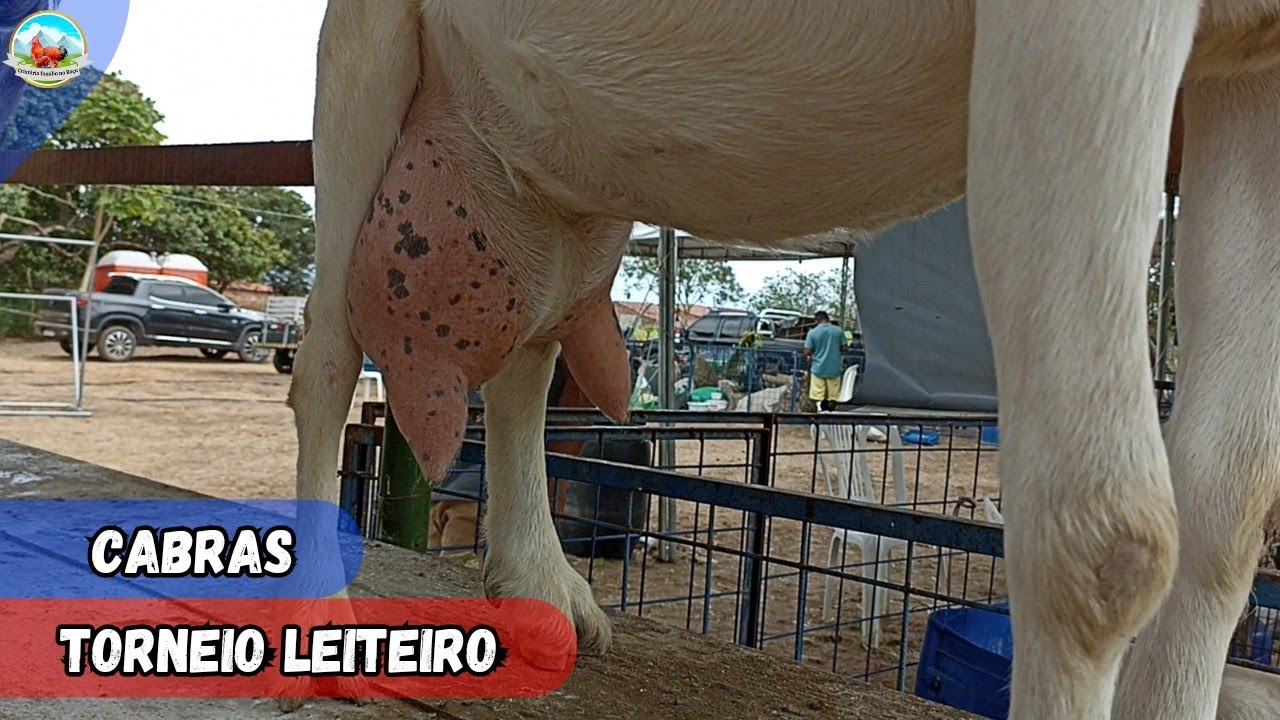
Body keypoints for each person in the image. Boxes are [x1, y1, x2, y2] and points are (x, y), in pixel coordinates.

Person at [804, 310, 847, 412]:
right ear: (828, 318)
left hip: (818, 369)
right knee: (833, 396)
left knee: (818, 395)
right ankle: (832, 412)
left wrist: (811, 355)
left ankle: (819, 410)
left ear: (816, 321)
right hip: (834, 368)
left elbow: (806, 351)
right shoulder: (838, 331)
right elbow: (845, 348)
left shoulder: (812, 332)